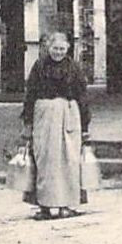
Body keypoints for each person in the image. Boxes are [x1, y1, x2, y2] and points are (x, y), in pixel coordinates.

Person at [21, 31, 90, 220]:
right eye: (54, 48)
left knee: (69, 159)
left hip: (69, 114)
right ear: (47, 48)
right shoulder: (39, 67)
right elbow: (30, 95)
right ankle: (44, 205)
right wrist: (27, 123)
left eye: (62, 48)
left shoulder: (74, 68)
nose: (58, 52)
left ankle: (65, 205)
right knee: (45, 160)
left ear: (67, 48)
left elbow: (82, 96)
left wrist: (85, 125)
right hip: (44, 115)